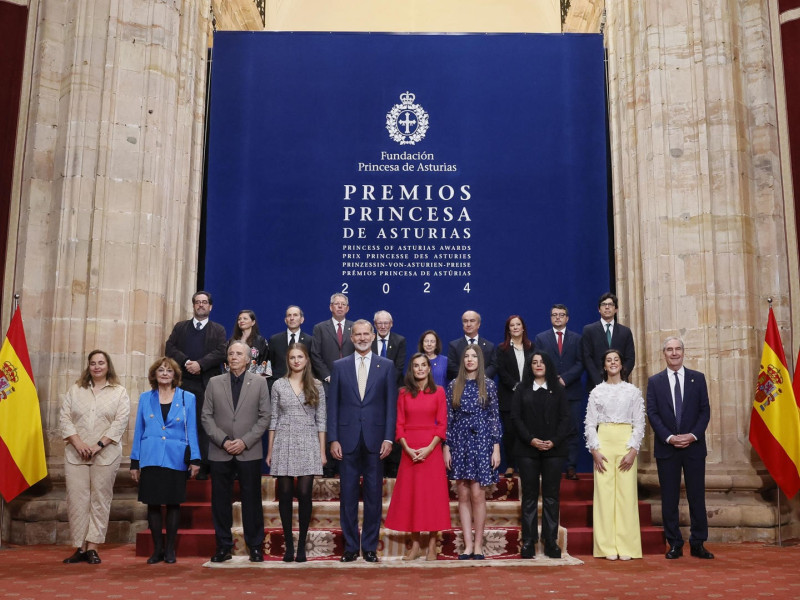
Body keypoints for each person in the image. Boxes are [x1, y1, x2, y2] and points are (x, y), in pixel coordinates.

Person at [327, 319, 397, 563]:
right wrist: (333, 438)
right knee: (347, 496)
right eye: (358, 334)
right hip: (345, 441)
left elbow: (391, 406)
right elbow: (332, 405)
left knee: (373, 496)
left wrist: (389, 437)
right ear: (351, 337)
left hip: (376, 441)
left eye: (367, 333)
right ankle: (349, 546)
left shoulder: (386, 366)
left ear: (373, 335)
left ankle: (368, 546)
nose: (363, 338)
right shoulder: (339, 366)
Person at [201, 341, 271, 563]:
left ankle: (255, 546)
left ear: (249, 358)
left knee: (252, 500)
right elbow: (206, 416)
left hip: (248, 451)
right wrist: (223, 440)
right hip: (220, 451)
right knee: (220, 502)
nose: (233, 357)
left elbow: (265, 417)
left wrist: (245, 441)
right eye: (231, 353)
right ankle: (223, 546)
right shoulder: (214, 382)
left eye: (238, 353)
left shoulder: (260, 383)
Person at [59, 350, 130, 565]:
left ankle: (93, 547)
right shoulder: (75, 389)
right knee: (77, 500)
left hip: (106, 454)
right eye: (93, 363)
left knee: (100, 500)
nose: (97, 367)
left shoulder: (119, 392)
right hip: (75, 453)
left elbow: (120, 421)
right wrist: (78, 443)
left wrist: (99, 445)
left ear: (108, 366)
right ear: (88, 366)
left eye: (101, 363)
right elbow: (64, 418)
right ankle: (79, 547)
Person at [646, 337, 713, 560]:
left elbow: (705, 411)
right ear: (663, 353)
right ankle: (674, 543)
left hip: (694, 447)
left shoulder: (698, 378)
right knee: (669, 498)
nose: (674, 353)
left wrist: (692, 436)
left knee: (697, 497)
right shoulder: (654, 382)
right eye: (669, 349)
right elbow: (653, 414)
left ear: (684, 352)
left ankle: (698, 543)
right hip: (668, 448)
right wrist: (669, 437)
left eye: (677, 349)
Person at [130, 357, 201, 564]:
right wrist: (135, 461)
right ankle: (157, 550)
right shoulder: (145, 398)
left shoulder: (188, 398)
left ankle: (170, 549)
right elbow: (138, 431)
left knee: (172, 504)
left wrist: (195, 459)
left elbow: (193, 430)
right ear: (154, 374)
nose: (164, 373)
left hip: (175, 457)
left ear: (175, 376)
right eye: (161, 370)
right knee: (152, 504)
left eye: (169, 371)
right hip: (150, 456)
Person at [384, 353, 451, 561]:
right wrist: (408, 448)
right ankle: (414, 546)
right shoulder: (403, 393)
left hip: (431, 450)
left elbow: (442, 424)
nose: (420, 369)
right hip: (409, 451)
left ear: (429, 369)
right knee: (412, 498)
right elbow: (399, 424)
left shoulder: (439, 392)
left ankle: (431, 545)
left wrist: (430, 449)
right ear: (411, 370)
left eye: (424, 365)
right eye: (416, 366)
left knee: (432, 498)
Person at [266, 343, 326, 563]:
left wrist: (322, 451)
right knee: (284, 494)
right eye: (292, 357)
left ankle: (302, 546)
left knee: (303, 493)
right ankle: (288, 547)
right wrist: (270, 450)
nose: (296, 361)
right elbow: (273, 418)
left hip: (309, 440)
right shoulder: (278, 385)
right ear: (287, 360)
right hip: (283, 440)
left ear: (307, 359)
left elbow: (322, 420)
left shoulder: (317, 385)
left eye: (300, 357)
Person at [584, 348, 645, 560]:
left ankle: (627, 546)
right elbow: (590, 424)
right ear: (604, 365)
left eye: (616, 359)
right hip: (604, 441)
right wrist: (595, 450)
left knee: (627, 495)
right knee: (604, 495)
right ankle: (606, 546)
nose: (612, 363)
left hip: (626, 441)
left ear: (621, 364)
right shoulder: (597, 392)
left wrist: (633, 449)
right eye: (608, 360)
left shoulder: (633, 391)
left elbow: (639, 423)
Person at [443, 346, 501, 560]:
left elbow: (494, 417)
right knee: (464, 494)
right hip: (459, 441)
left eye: (473, 356)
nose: (469, 359)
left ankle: (478, 545)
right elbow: (449, 418)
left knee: (477, 494)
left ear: (480, 360)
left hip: (482, 441)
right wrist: (447, 447)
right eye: (466, 356)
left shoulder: (489, 385)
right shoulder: (452, 386)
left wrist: (496, 447)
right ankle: (467, 546)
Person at [511, 351, 571, 559]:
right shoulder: (521, 389)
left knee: (551, 497)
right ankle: (528, 541)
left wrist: (553, 441)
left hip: (554, 450)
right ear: (529, 366)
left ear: (548, 365)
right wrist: (531, 440)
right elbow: (516, 419)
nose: (538, 365)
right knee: (529, 496)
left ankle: (551, 541)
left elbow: (566, 419)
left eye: (542, 362)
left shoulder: (558, 389)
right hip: (527, 449)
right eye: (534, 362)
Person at [165, 290, 227, 479]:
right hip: (182, 383)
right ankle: (181, 462)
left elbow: (221, 351)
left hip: (206, 384)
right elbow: (170, 347)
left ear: (210, 306)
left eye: (204, 302)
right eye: (197, 302)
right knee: (180, 423)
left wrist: (201, 364)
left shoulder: (218, 330)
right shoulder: (180, 327)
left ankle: (201, 464)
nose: (201, 305)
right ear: (193, 306)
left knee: (204, 423)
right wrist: (186, 362)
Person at [533, 304, 585, 480]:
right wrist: (553, 379)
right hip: (548, 390)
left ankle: (571, 467)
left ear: (567, 318)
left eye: (561, 315)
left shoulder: (577, 339)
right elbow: (538, 362)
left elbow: (580, 362)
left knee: (572, 430)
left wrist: (565, 379)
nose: (557, 317)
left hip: (572, 391)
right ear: (550, 317)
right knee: (548, 428)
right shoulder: (541, 338)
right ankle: (549, 466)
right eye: (554, 315)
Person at [311, 293, 355, 477]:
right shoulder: (320, 328)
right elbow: (315, 355)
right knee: (327, 423)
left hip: (351, 385)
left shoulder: (355, 328)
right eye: (336, 304)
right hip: (327, 385)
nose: (339, 307)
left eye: (342, 304)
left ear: (347, 308)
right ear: (331, 307)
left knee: (348, 423)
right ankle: (327, 466)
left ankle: (347, 463)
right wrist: (327, 376)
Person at [495, 314, 533, 477]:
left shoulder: (532, 347)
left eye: (518, 324)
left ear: (523, 327)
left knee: (527, 431)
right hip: (508, 397)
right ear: (508, 329)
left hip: (529, 397)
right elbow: (501, 372)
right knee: (510, 432)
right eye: (512, 325)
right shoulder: (502, 349)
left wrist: (526, 388)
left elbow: (536, 368)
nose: (516, 327)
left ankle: (526, 464)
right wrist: (516, 386)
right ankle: (510, 465)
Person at [371, 310, 407, 477]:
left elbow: (398, 368)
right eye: (380, 323)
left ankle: (392, 465)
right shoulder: (368, 340)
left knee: (392, 426)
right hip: (370, 392)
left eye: (386, 323)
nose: (383, 326)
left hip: (392, 391)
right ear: (375, 324)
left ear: (391, 324)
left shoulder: (399, 341)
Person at [582, 292, 635, 395]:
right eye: (603, 304)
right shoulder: (589, 330)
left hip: (621, 386)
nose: (607, 307)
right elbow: (587, 358)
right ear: (599, 309)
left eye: (610, 305)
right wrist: (600, 383)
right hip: (596, 386)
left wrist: (619, 379)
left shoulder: (625, 331)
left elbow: (630, 358)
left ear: (616, 309)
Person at [267, 305, 312, 389]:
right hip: (279, 386)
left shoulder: (310, 341)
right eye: (289, 315)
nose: (292, 318)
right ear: (285, 320)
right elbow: (270, 365)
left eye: (295, 315)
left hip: (303, 386)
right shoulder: (274, 340)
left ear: (302, 320)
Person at [446, 310, 497, 381]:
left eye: (472, 321)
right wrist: (468, 377)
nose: (468, 324)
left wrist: (481, 376)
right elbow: (451, 366)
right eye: (465, 321)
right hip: (461, 384)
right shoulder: (454, 345)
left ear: (479, 324)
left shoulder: (489, 346)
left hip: (484, 384)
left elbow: (493, 365)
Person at [229, 309, 270, 375]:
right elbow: (228, 362)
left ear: (253, 322)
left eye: (245, 319)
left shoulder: (260, 341)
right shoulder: (232, 341)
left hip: (255, 380)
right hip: (234, 378)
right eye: (239, 319)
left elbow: (265, 362)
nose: (241, 321)